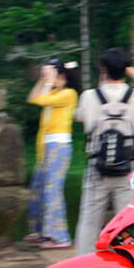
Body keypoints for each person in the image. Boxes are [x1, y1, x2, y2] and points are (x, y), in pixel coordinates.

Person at [74, 48, 134, 254]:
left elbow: (80, 117)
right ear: (125, 69)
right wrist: (126, 68)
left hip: (96, 170)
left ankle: (81, 267)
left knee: (89, 221)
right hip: (127, 170)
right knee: (128, 221)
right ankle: (129, 265)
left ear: (103, 69)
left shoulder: (89, 96)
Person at [25, 59, 82, 249]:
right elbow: (33, 98)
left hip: (59, 147)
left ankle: (60, 236)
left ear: (64, 77)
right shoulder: (54, 92)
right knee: (38, 189)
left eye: (56, 76)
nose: (52, 79)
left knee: (52, 191)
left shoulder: (69, 94)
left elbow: (41, 100)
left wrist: (48, 81)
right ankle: (42, 232)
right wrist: (43, 80)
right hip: (46, 147)